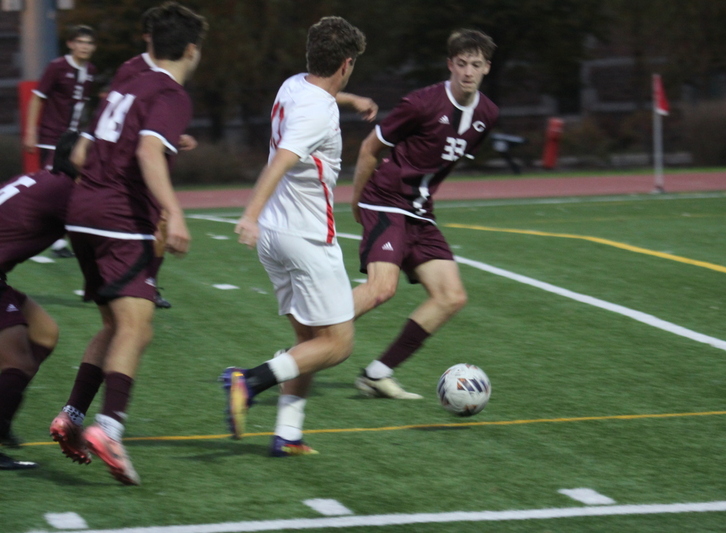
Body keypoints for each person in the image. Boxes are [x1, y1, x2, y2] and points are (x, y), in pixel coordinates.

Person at [49, 2, 207, 485]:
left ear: (148, 42)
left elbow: (120, 130)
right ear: (193, 50)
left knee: (116, 325)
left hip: (82, 212)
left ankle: (72, 417)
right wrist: (174, 212)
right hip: (121, 217)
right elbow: (145, 149)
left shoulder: (130, 70)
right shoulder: (172, 91)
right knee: (137, 331)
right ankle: (109, 428)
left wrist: (168, 137)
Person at [219, 16, 375, 456]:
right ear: (346, 63)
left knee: (310, 343)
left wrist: (351, 98)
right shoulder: (318, 111)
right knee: (338, 344)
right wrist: (247, 214)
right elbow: (282, 160)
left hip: (276, 234)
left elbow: (323, 93)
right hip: (305, 237)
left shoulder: (294, 85)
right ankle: (247, 381)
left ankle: (288, 434)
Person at [350, 29, 498, 399]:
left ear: (486, 69)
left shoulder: (487, 114)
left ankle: (376, 374)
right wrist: (356, 202)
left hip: (420, 213)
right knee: (382, 289)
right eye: (461, 63)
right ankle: (299, 353)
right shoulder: (420, 103)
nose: (467, 71)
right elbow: (370, 149)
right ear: (450, 65)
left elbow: (442, 163)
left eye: (476, 65)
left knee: (451, 296)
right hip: (384, 199)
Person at [70, 7, 197, 310]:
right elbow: (131, 134)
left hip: (100, 191)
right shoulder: (136, 71)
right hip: (119, 189)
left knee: (160, 219)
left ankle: (147, 283)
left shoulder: (156, 74)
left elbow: (135, 124)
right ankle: (141, 285)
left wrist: (172, 137)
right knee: (132, 330)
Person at [0, 132, 80, 470]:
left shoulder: (47, 179)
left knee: (44, 333)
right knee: (18, 361)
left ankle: (2, 418)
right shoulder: (65, 192)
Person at [23, 25, 96, 259]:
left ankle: (61, 237)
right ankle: (46, 237)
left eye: (89, 43)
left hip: (73, 138)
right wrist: (31, 131)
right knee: (53, 186)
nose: (85, 46)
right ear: (71, 44)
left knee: (73, 186)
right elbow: (38, 99)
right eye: (80, 41)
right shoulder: (57, 67)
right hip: (52, 137)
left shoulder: (91, 71)